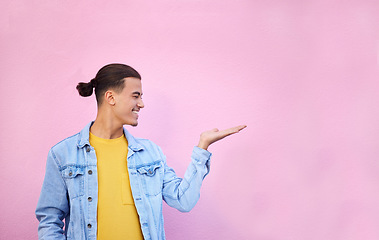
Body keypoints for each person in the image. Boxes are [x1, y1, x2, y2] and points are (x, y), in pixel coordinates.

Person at [35, 63, 246, 240]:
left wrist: (202, 147)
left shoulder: (150, 153)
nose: (141, 104)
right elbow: (50, 219)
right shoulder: (63, 154)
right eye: (136, 96)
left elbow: (184, 200)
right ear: (111, 97)